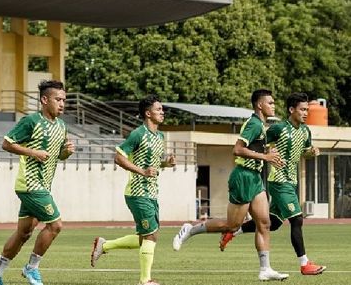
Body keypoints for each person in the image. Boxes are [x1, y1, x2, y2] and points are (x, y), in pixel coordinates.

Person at [171, 89, 288, 281]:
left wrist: (269, 154)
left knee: (264, 223)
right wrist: (265, 156)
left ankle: (265, 269)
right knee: (232, 226)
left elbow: (255, 148)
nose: (273, 106)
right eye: (271, 102)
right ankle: (190, 229)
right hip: (243, 177)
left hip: (255, 178)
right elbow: (237, 150)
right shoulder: (253, 124)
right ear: (260, 105)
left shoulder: (261, 126)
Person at [219, 93, 325, 275]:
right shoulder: (278, 128)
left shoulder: (305, 131)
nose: (306, 113)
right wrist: (265, 155)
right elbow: (258, 142)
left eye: (307, 109)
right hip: (278, 180)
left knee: (273, 223)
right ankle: (305, 264)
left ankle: (232, 233)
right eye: (302, 109)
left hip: (291, 181)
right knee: (297, 219)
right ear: (292, 110)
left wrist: (312, 152)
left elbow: (305, 153)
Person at [0, 79, 75, 285]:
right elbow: (7, 143)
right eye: (57, 99)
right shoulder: (31, 121)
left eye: (64, 100)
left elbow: (56, 155)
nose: (61, 104)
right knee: (55, 225)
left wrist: (66, 153)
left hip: (43, 185)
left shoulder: (61, 126)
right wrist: (32, 152)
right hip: (30, 184)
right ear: (44, 100)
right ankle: (31, 268)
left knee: (24, 232)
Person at [90, 95, 175, 285]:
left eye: (162, 109)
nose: (163, 112)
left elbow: (151, 164)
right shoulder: (138, 134)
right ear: (147, 113)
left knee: (144, 238)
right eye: (158, 109)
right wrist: (142, 172)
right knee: (151, 235)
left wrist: (165, 164)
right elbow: (119, 157)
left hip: (151, 192)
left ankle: (104, 245)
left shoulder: (159, 136)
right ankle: (145, 281)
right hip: (138, 192)